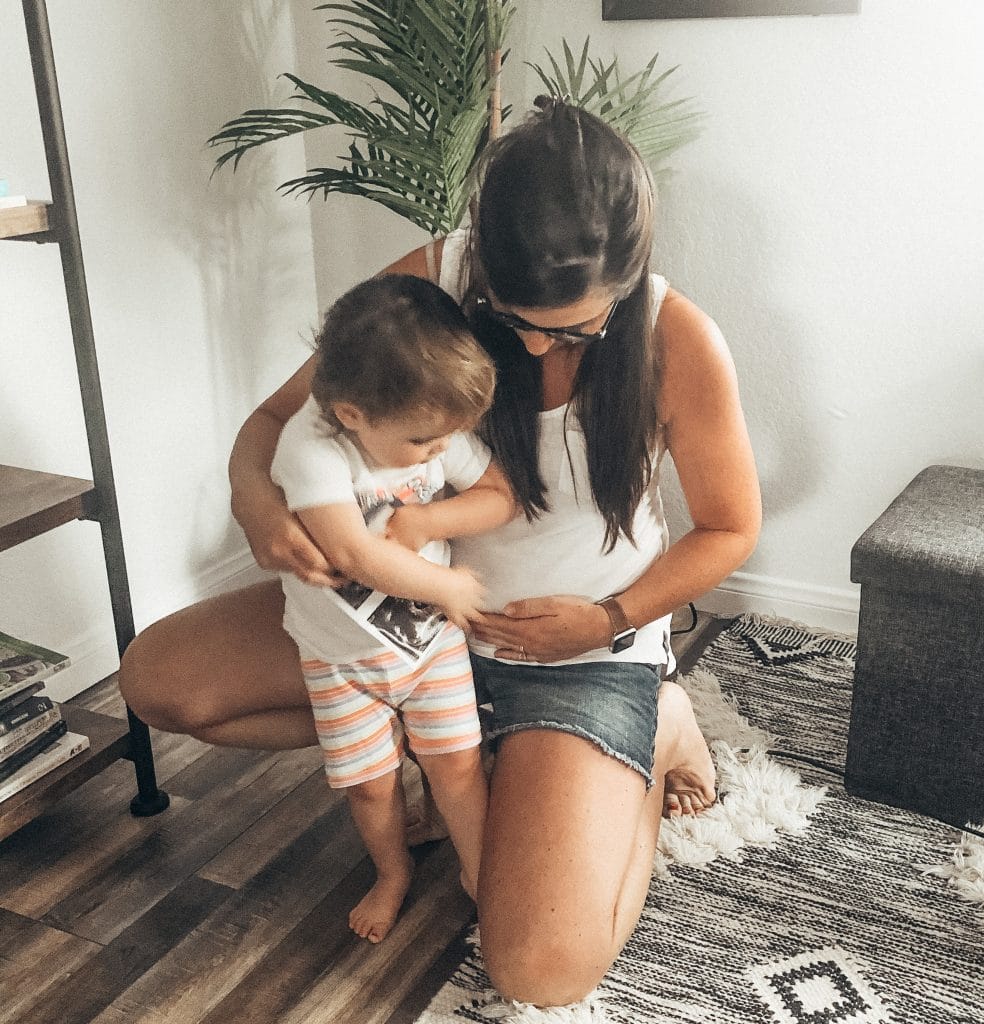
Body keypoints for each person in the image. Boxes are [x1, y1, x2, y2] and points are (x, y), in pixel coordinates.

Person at [120, 99, 761, 1006]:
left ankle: (655, 725)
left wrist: (608, 619)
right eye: (514, 317)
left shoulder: (677, 338)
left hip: (574, 654)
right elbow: (271, 422)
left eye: (575, 329)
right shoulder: (433, 281)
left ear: (628, 278)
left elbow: (730, 527)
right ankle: (433, 749)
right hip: (398, 626)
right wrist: (258, 506)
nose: (538, 344)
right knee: (159, 680)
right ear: (480, 260)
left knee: (539, 971)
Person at [269, 273, 516, 942]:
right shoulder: (312, 447)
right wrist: (448, 587)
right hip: (340, 660)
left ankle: (480, 872)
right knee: (372, 786)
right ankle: (392, 871)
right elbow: (350, 552)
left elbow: (501, 494)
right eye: (424, 445)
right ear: (351, 414)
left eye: (445, 442)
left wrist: (433, 519)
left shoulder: (428, 422)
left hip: (430, 650)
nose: (438, 453)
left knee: (458, 767)